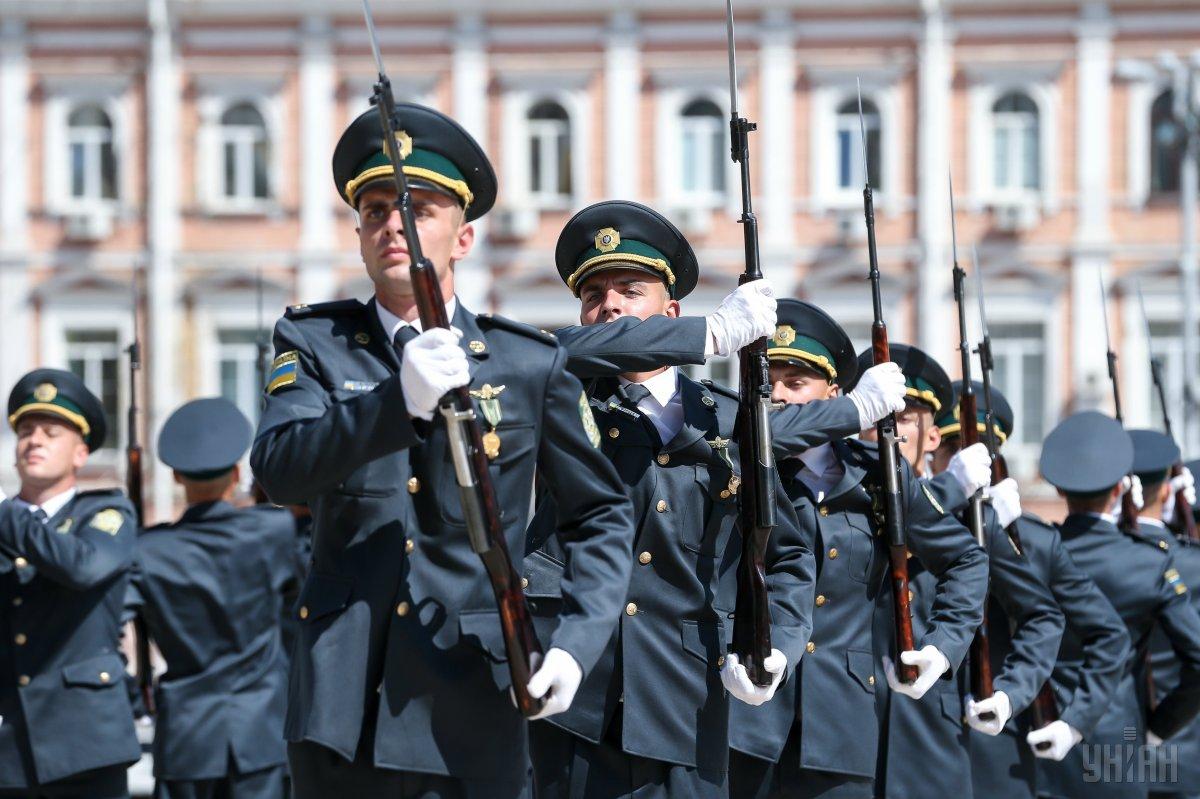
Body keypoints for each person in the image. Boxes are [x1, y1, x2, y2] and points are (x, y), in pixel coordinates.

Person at [250, 103, 637, 798]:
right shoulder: (313, 344)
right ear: (359, 236)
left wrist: (577, 644)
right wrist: (394, 402)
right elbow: (280, 471)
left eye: (417, 210)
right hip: (345, 700)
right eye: (374, 211)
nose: (392, 224)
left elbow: (601, 515)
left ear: (463, 238)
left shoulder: (526, 362)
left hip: (476, 693)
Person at [523, 200, 814, 797]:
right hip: (573, 702)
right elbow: (535, 354)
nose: (610, 305)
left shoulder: (730, 421)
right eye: (593, 295)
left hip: (685, 706)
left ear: (670, 310)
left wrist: (777, 648)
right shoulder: (556, 398)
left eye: (631, 290)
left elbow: (788, 555)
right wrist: (707, 335)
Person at [726, 304, 989, 799]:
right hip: (744, 721)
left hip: (841, 726)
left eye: (796, 382)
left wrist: (942, 647)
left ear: (835, 396)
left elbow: (965, 559)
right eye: (768, 382)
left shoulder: (877, 472)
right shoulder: (736, 465)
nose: (778, 394)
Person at [855, 348, 1061, 799]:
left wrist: (1008, 693)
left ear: (932, 437)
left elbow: (1041, 616)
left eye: (903, 419)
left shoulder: (973, 521)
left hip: (933, 744)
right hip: (844, 740)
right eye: (876, 417)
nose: (887, 431)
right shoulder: (834, 504)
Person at [928, 381, 1128, 798]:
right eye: (952, 452)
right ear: (934, 453)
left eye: (974, 454)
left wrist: (1073, 722)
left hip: (999, 743)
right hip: (917, 740)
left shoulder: (1033, 539)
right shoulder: (910, 527)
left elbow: (1108, 634)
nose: (960, 463)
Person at [129, 398, 297, 799]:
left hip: (187, 739)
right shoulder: (274, 531)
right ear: (237, 474)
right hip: (262, 735)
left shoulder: (147, 550)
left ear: (176, 477)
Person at [1037, 412, 1200, 799]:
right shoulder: (1149, 562)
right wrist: (1158, 727)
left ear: (1059, 488)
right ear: (1119, 489)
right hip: (1119, 743)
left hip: (1036, 741)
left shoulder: (1032, 553)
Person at [0, 369, 141, 798]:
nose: (34, 441)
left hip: (83, 742)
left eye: (50, 433)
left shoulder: (106, 514)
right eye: (25, 431)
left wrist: (6, 514)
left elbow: (83, 567)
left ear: (80, 453)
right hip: (10, 750)